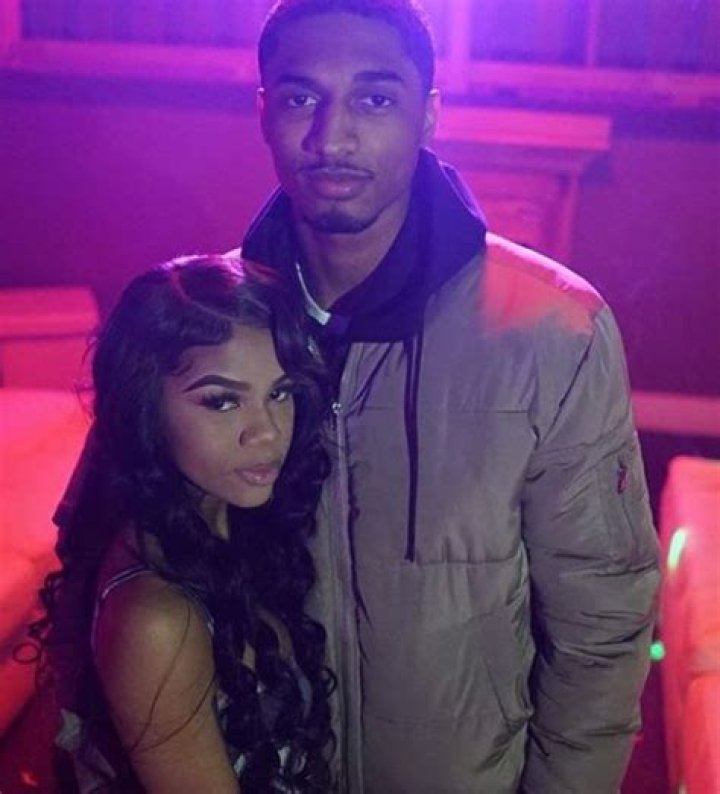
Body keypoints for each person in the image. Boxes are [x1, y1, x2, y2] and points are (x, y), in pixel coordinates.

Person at [238, 0, 662, 791]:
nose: (332, 137)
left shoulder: (553, 330)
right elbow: (112, 573)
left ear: (428, 114)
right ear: (263, 111)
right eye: (301, 97)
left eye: (374, 98)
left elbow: (601, 623)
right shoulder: (203, 326)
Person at [32, 255, 335, 792]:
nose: (266, 431)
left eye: (280, 393)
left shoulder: (237, 529)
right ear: (144, 406)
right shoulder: (156, 619)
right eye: (222, 402)